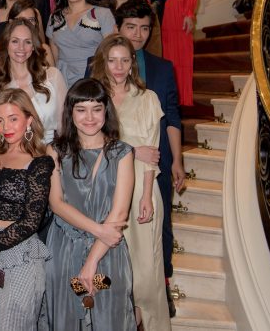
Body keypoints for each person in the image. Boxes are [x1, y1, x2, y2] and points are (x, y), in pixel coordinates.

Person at [90, 35, 170, 330]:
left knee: (146, 272)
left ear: (132, 62)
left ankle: (147, 322)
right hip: (104, 190)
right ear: (103, 62)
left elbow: (153, 152)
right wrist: (132, 149)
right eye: (112, 60)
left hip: (141, 192)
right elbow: (89, 145)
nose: (119, 66)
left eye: (125, 60)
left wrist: (148, 195)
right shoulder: (94, 100)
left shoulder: (147, 98)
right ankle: (112, 320)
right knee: (109, 266)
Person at [44, 78, 136, 330]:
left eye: (97, 109)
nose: (90, 117)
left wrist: (92, 260)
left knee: (107, 313)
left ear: (106, 111)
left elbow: (118, 214)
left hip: (106, 254)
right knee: (67, 317)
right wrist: (99, 229)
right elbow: (56, 203)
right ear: (70, 113)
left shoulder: (122, 153)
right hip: (64, 250)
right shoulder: (56, 151)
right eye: (81, 110)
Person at [114, 0, 185, 316]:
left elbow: (171, 117)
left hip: (155, 158)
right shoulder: (100, 68)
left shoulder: (162, 68)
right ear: (119, 29)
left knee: (161, 227)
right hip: (117, 166)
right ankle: (120, 294)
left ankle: (162, 286)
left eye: (144, 28)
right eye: (131, 27)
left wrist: (177, 160)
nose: (138, 34)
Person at [0, 88, 54, 330]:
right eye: (0, 120)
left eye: (13, 118)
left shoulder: (40, 162)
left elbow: (31, 222)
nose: (6, 126)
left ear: (29, 120)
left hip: (20, 254)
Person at [0, 19, 67, 144]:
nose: (21, 48)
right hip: (12, 157)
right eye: (15, 41)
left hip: (50, 152)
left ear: (33, 46)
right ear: (6, 44)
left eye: (27, 42)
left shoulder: (53, 76)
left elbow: (64, 127)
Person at [46, 0, 116, 87]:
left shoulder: (102, 14)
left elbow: (111, 52)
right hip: (63, 82)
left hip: (95, 79)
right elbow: (54, 57)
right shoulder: (54, 18)